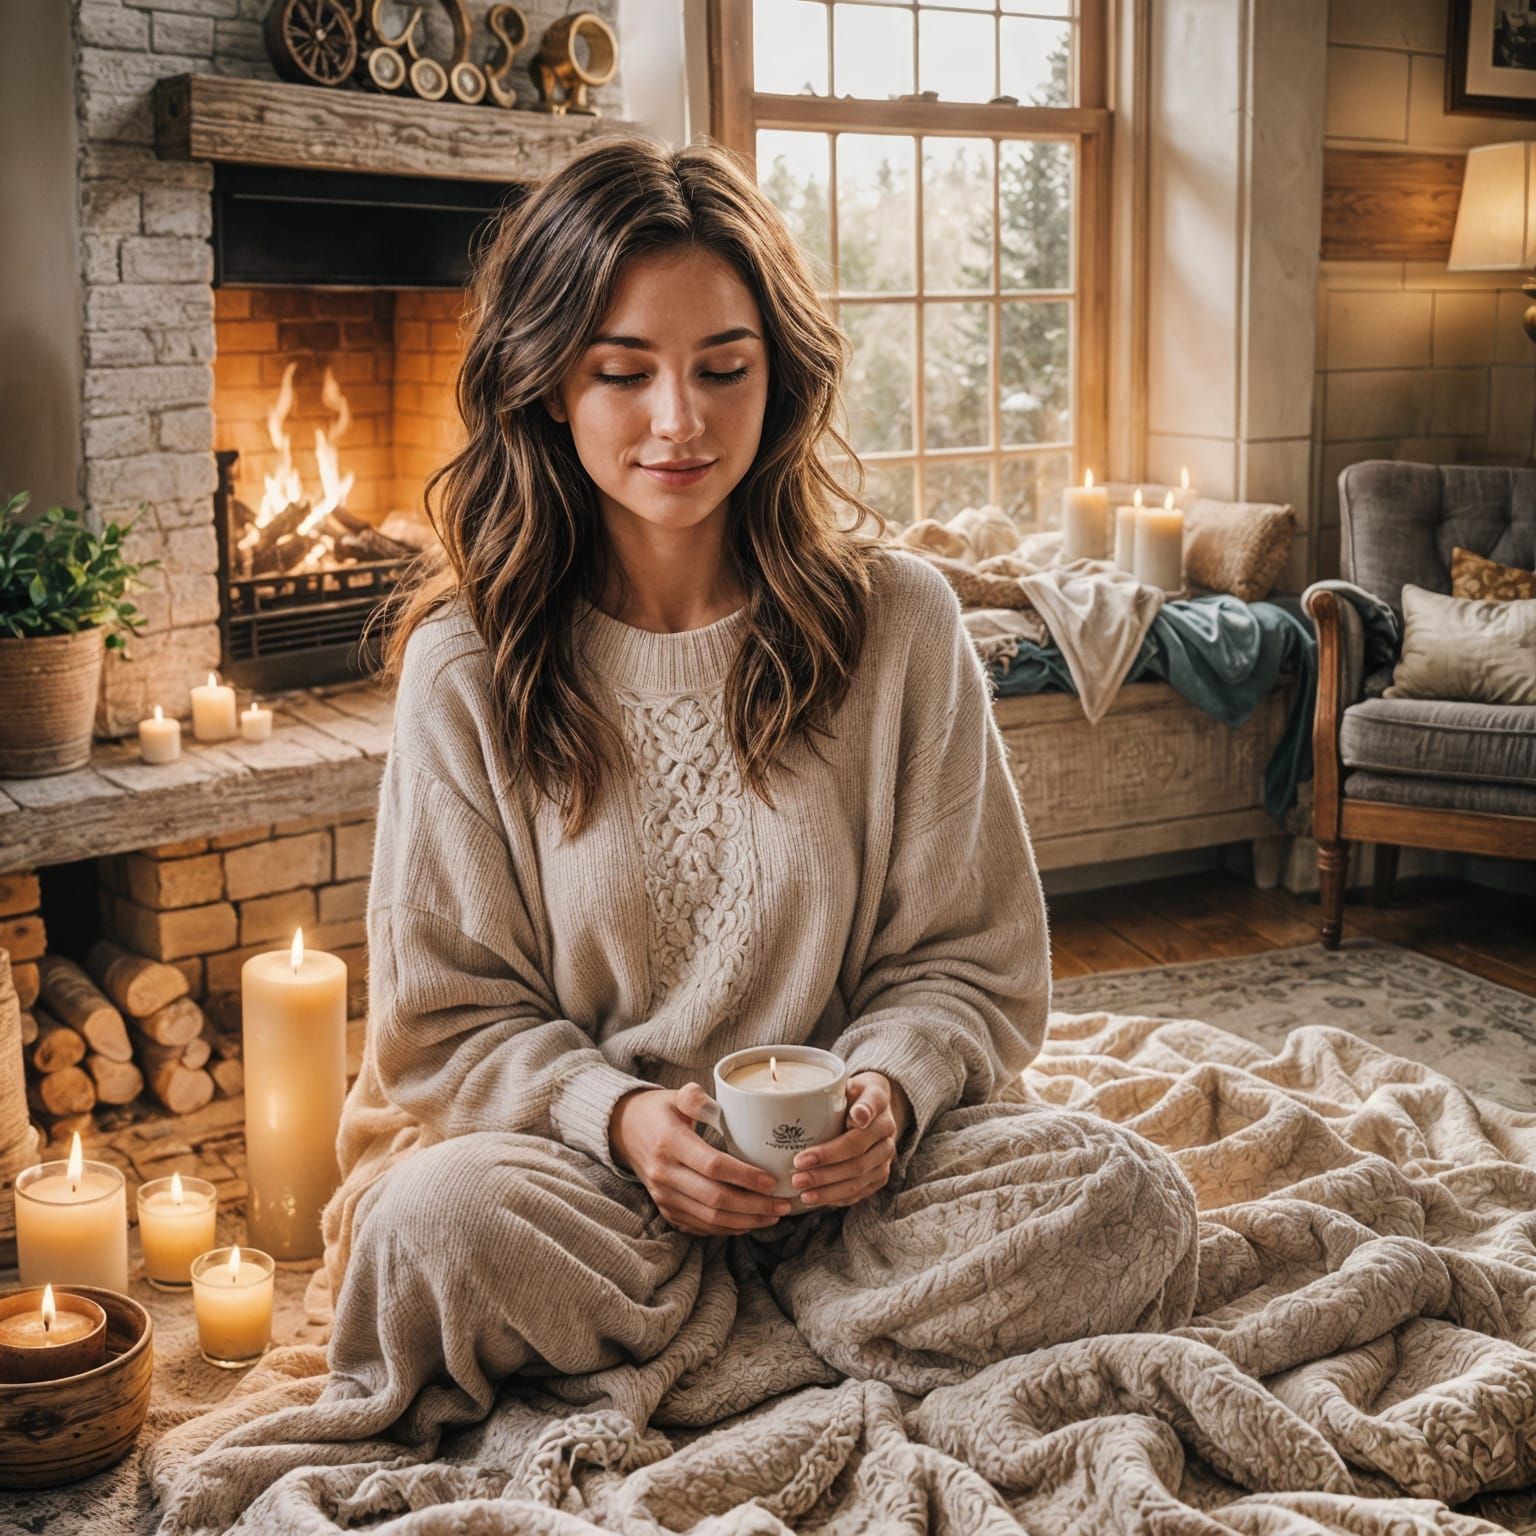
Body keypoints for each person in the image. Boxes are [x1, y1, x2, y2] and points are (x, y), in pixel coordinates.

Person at [303, 133, 1198, 1449]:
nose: (682, 420)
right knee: (431, 1232)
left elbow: (970, 965)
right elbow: (444, 1029)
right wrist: (617, 1122)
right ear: (551, 385)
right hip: (583, 1184)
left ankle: (717, 1354)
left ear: (778, 381)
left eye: (725, 369)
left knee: (1128, 1197)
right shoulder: (468, 663)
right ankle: (824, 1352)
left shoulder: (900, 622)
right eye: (625, 373)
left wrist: (888, 1094)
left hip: (853, 1196)